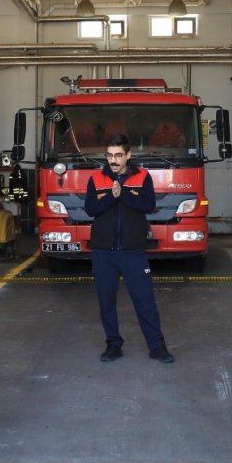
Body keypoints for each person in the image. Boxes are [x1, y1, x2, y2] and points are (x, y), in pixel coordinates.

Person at [84, 134, 173, 364]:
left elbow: (148, 205)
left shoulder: (143, 177)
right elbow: (91, 209)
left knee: (144, 299)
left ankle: (157, 346)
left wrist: (121, 193)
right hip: (103, 251)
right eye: (109, 155)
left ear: (128, 155)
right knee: (106, 301)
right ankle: (113, 344)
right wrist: (112, 198)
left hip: (133, 251)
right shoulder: (96, 178)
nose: (113, 160)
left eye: (118, 155)